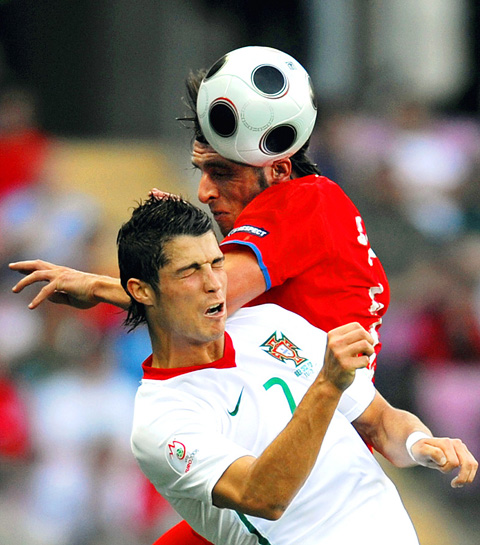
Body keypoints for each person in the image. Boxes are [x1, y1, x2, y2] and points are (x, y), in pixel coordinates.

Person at [10, 46, 389, 543]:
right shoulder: (306, 210)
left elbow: (205, 296)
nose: (206, 191)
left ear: (276, 168)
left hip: (304, 456)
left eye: (222, 172)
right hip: (284, 434)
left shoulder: (303, 200)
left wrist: (98, 286)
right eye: (202, 171)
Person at [116, 194, 475, 545]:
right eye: (189, 272)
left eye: (216, 263)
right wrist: (327, 387)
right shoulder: (161, 418)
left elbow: (380, 421)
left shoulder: (271, 323)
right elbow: (263, 496)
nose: (213, 283)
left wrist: (419, 443)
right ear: (141, 291)